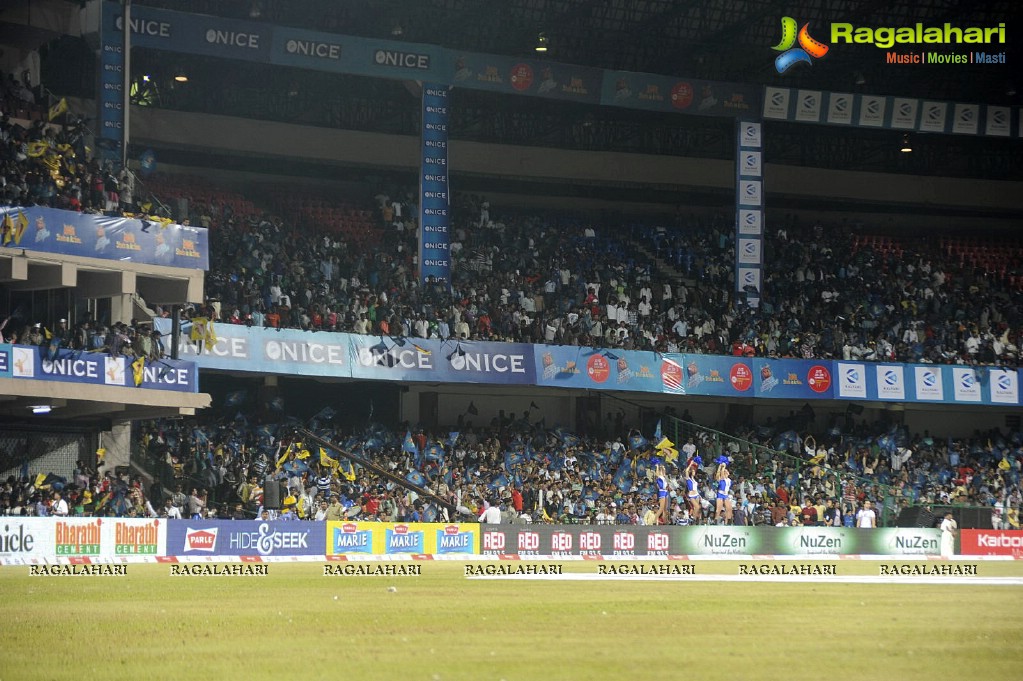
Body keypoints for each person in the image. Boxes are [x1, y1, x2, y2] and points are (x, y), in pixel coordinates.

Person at [714, 456, 733, 525]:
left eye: (727, 471)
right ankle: (715, 520)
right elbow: (720, 473)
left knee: (729, 508)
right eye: (725, 471)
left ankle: (727, 521)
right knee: (718, 509)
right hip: (720, 494)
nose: (726, 471)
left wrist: (723, 467)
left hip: (726, 494)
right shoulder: (722, 478)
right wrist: (722, 466)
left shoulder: (729, 480)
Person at [684, 456, 702, 524]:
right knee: (697, 507)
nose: (694, 472)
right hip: (691, 495)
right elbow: (686, 471)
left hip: (696, 494)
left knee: (696, 508)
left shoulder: (694, 479)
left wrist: (696, 464)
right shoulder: (688, 478)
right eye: (693, 471)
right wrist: (690, 464)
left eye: (694, 471)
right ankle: (693, 519)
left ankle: (695, 519)